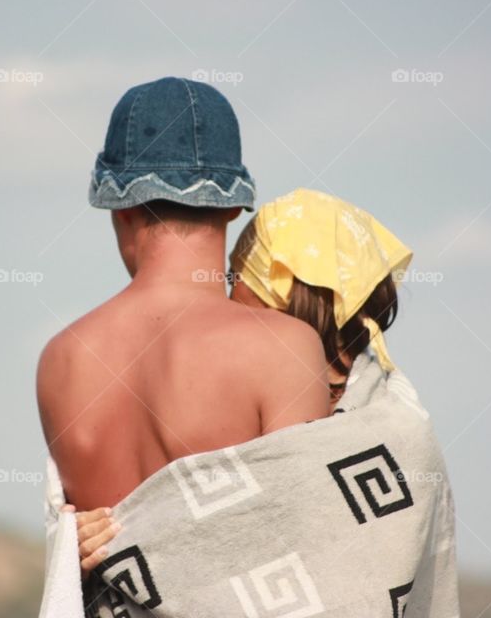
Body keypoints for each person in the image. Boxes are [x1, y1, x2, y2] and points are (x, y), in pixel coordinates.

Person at [72, 188, 422, 576]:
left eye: (235, 277)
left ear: (270, 289)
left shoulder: (395, 429)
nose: (224, 295)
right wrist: (82, 543)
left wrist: (121, 541)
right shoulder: (405, 425)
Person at [36, 80, 330, 535]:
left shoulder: (62, 359)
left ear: (120, 209)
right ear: (234, 207)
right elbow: (315, 534)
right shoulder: (282, 349)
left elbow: (81, 536)